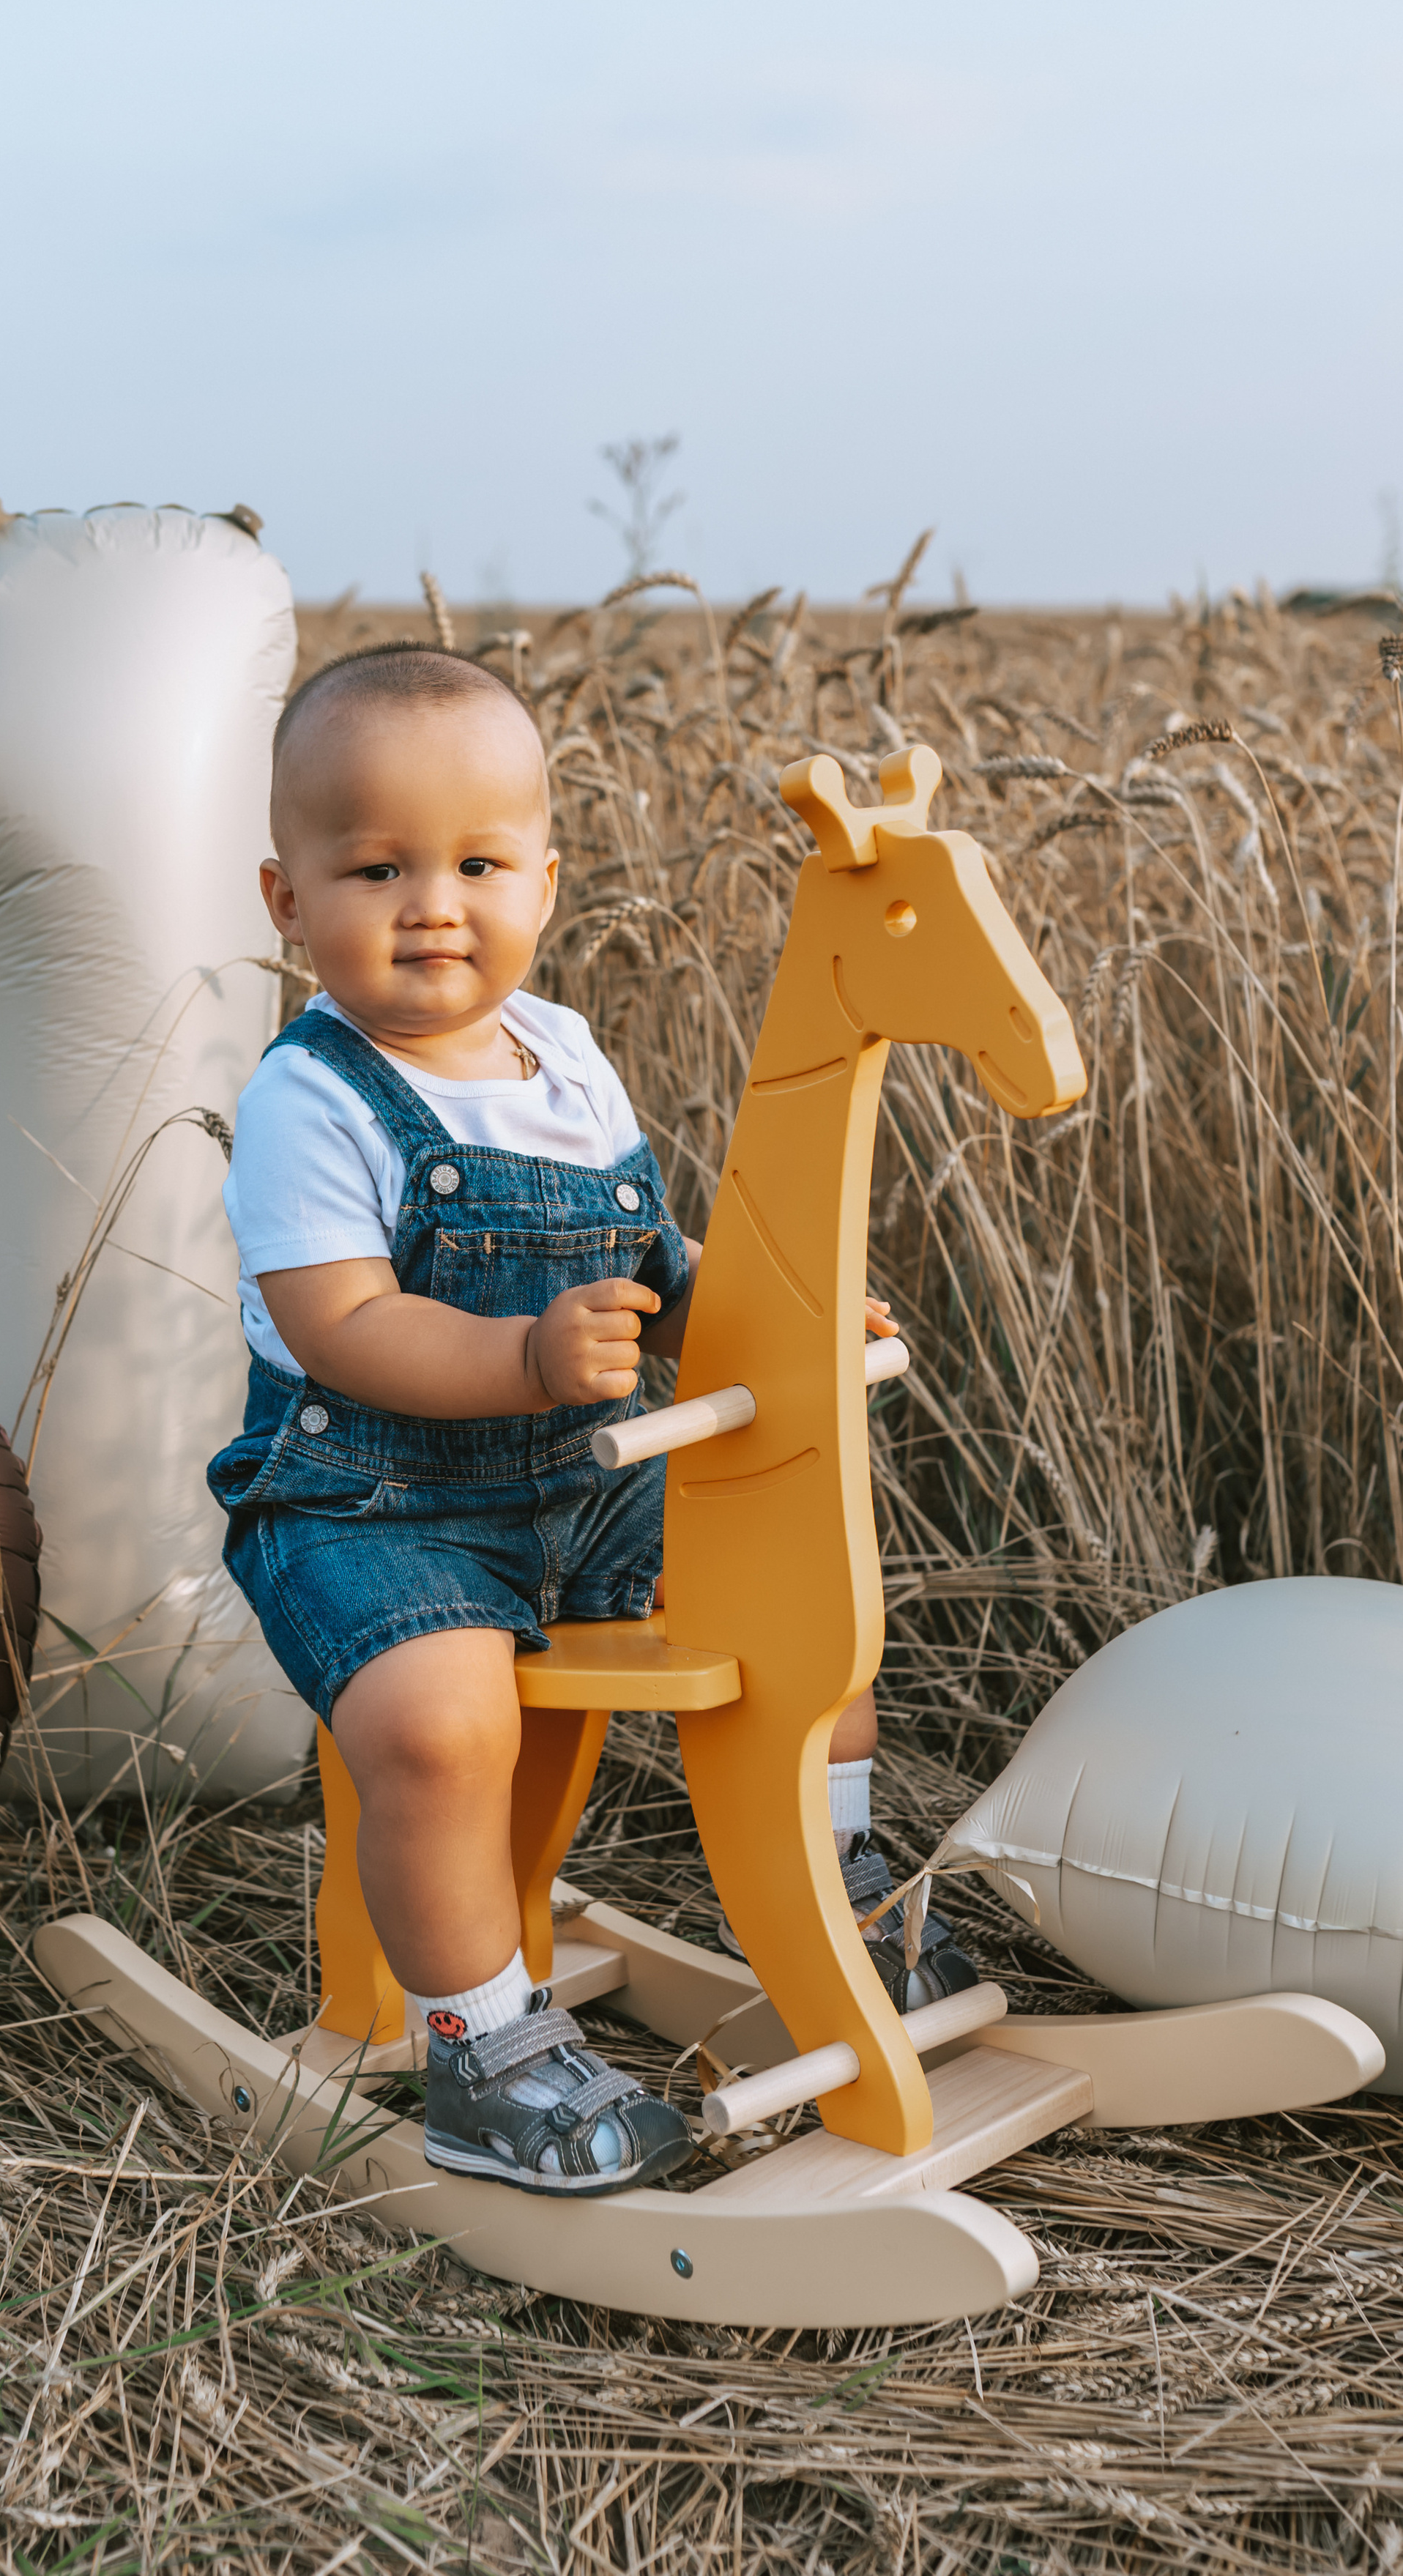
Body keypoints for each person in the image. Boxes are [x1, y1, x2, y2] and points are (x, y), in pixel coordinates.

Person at [208, 645, 970, 2200]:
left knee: (803, 1629)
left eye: (477, 864)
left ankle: (851, 1897)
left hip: (590, 1477)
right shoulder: (313, 1096)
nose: (434, 904)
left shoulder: (562, 1056)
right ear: (286, 902)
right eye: (376, 868)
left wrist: (778, 1324)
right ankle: (481, 2046)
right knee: (440, 1728)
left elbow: (651, 1267)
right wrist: (525, 1363)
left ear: (543, 886)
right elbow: (336, 1324)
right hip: (372, 1504)